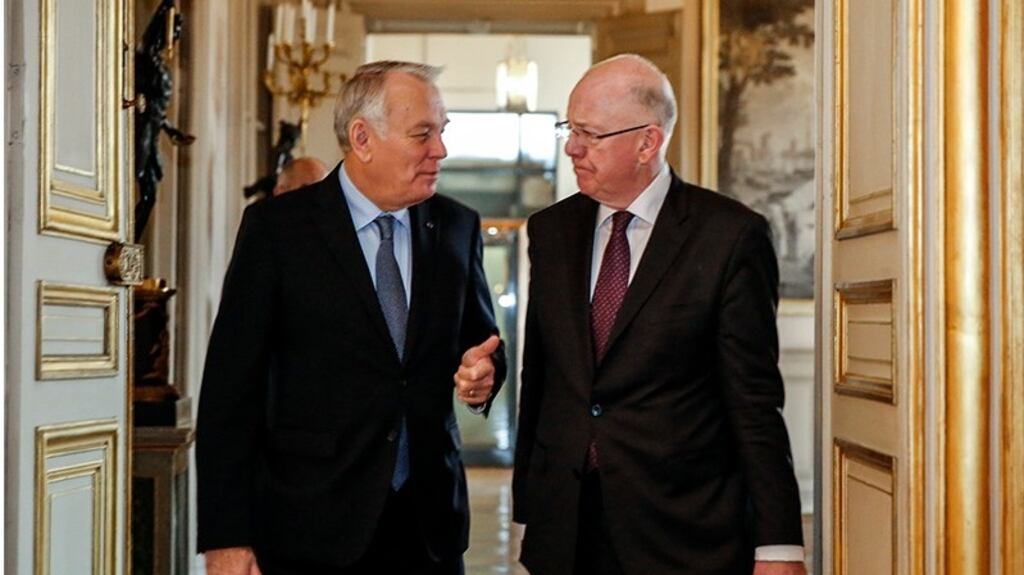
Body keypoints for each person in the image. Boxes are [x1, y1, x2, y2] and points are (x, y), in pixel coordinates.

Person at [196, 60, 506, 575]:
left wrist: (482, 378)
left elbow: (481, 342)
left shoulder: (457, 226)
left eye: (442, 132)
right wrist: (227, 537)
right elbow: (231, 394)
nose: (440, 151)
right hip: (309, 526)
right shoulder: (278, 231)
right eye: (422, 134)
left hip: (429, 528)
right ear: (362, 138)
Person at [512, 54, 805, 575]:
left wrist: (778, 545)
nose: (571, 147)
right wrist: (531, 507)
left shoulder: (729, 237)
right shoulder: (550, 231)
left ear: (648, 142)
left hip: (685, 533)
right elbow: (542, 377)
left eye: (590, 133)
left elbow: (754, 401)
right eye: (569, 128)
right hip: (567, 531)